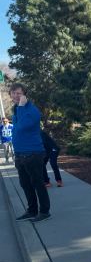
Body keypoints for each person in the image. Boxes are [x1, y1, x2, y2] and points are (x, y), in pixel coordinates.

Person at [10, 83, 51, 223]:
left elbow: (21, 127)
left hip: (33, 154)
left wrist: (21, 107)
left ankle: (44, 211)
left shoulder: (31, 110)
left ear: (25, 95)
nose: (16, 96)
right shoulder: (16, 110)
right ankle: (32, 210)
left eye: (19, 93)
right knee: (25, 184)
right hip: (20, 154)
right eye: (13, 93)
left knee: (38, 183)